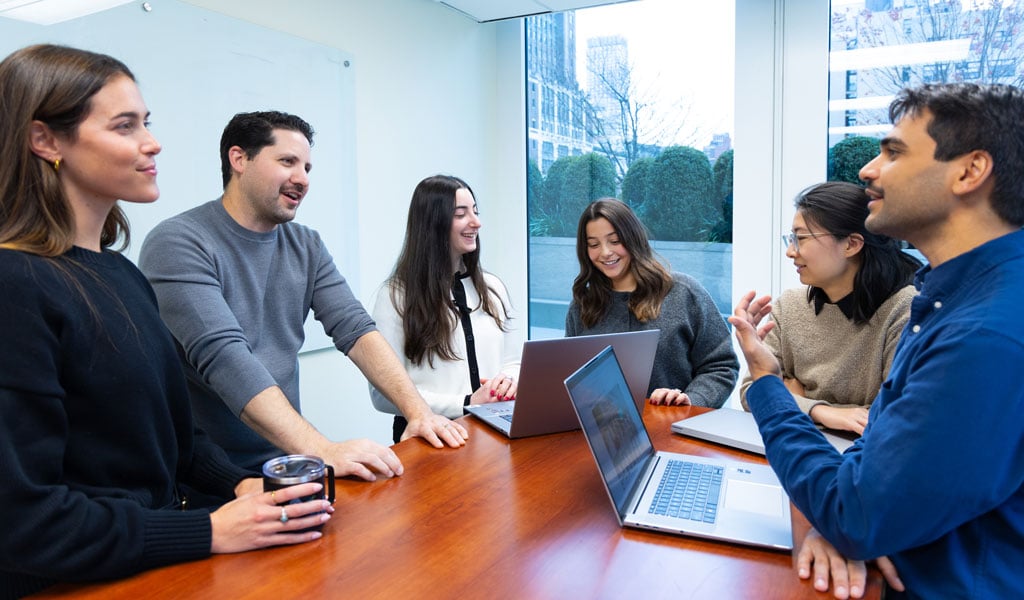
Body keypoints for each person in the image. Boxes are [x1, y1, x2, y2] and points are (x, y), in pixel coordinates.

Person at [0, 44, 330, 598]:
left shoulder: (122, 275)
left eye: (146, 123)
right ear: (46, 140)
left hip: (151, 563)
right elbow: (22, 520)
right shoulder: (15, 285)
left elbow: (176, 440)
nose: (151, 142)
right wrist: (206, 529)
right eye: (125, 126)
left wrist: (241, 484)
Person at [732, 82, 1024, 599]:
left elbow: (858, 512)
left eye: (893, 152)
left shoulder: (984, 335)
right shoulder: (949, 300)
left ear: (969, 171)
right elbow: (875, 473)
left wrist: (767, 384)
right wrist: (842, 508)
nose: (868, 170)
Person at [139, 111, 468, 483]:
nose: (303, 179)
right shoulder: (179, 241)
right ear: (239, 159)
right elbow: (226, 358)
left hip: (284, 459)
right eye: (287, 162)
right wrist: (323, 450)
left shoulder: (305, 244)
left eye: (307, 167)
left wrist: (418, 412)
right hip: (209, 474)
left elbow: (356, 329)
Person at [739, 181, 920, 435]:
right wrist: (819, 410)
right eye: (791, 239)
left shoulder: (904, 310)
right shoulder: (789, 306)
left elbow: (889, 416)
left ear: (851, 244)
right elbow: (751, 392)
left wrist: (789, 396)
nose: (791, 252)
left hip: (862, 457)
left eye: (800, 238)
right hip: (796, 444)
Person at [370, 175, 521, 442]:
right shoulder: (395, 295)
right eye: (461, 214)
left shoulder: (493, 287)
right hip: (429, 438)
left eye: (475, 211)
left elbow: (512, 362)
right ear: (433, 223)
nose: (476, 222)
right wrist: (465, 402)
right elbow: (382, 394)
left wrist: (506, 383)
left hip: (492, 433)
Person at [566, 198, 738, 407]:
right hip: (606, 433)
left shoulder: (683, 292)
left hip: (676, 431)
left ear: (633, 238)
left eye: (615, 241)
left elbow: (721, 365)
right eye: (593, 244)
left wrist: (691, 401)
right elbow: (573, 377)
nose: (605, 252)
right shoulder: (582, 305)